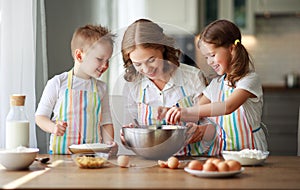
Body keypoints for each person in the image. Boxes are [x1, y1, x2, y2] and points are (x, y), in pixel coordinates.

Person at [158, 19, 268, 155]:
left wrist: (184, 112)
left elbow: (227, 107)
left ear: (232, 49)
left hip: (250, 152)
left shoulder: (249, 80)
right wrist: (172, 112)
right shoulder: (216, 84)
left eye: (212, 55)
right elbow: (197, 109)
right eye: (206, 58)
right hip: (224, 152)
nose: (210, 62)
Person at [120, 18, 215, 156]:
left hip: (190, 163)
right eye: (138, 64)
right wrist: (128, 137)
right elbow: (130, 132)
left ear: (162, 48)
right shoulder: (133, 86)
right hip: (150, 167)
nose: (146, 69)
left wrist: (201, 131)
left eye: (151, 60)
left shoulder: (193, 77)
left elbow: (215, 128)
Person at [35, 24, 118, 155]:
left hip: (92, 156)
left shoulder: (102, 88)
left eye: (108, 60)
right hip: (60, 156)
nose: (105, 65)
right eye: (100, 59)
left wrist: (109, 145)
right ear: (79, 56)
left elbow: (106, 122)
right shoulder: (57, 83)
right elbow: (40, 117)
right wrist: (53, 127)